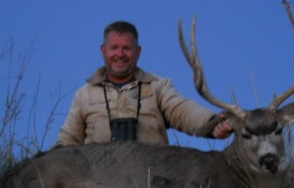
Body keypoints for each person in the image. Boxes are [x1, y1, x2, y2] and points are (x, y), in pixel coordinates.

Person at [56, 21, 232, 146]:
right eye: (114, 47)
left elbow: (182, 111)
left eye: (127, 48)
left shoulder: (158, 86)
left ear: (138, 52)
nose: (120, 54)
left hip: (151, 183)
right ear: (103, 51)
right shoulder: (85, 94)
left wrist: (214, 123)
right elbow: (67, 142)